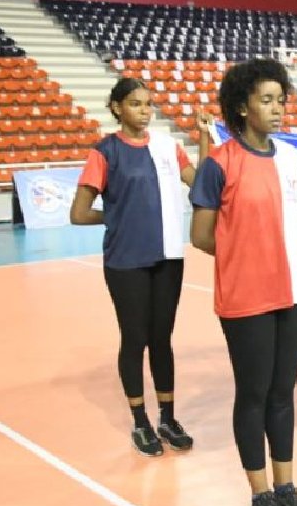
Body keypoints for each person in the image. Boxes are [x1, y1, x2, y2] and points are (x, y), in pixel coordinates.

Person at [189, 58, 297, 506]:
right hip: (246, 298)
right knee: (253, 394)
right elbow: (202, 235)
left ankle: (286, 486)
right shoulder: (218, 164)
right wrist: (245, 257)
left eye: (280, 100)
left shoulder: (292, 159)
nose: (277, 109)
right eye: (266, 100)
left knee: (283, 393)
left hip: (290, 294)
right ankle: (260, 492)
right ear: (242, 107)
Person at [70, 77, 207, 457]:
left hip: (167, 258)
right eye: (135, 104)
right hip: (125, 261)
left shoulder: (168, 148)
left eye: (148, 104)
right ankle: (140, 421)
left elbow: (200, 187)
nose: (144, 111)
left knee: (161, 339)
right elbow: (79, 214)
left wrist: (204, 138)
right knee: (136, 340)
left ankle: (168, 417)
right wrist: (116, 214)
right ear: (116, 108)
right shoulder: (105, 153)